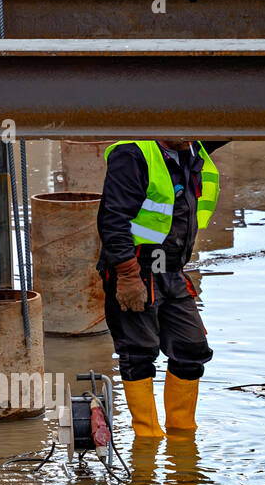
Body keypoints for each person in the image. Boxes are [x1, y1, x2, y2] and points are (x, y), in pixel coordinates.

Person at [96, 139, 227, 438]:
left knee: (191, 348)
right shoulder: (133, 155)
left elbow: (238, 116)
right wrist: (128, 275)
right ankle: (147, 441)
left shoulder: (190, 145)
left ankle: (182, 438)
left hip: (171, 269)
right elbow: (112, 221)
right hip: (135, 267)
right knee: (138, 352)